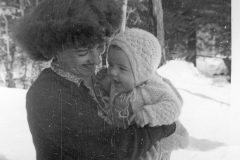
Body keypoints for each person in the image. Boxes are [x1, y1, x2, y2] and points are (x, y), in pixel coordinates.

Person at [12, 0, 176, 159]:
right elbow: (112, 150)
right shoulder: (47, 94)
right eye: (83, 52)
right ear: (55, 46)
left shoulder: (96, 78)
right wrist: (164, 126)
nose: (97, 60)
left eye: (100, 47)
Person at [98, 28, 189, 160]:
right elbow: (105, 89)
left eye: (121, 68)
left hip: (153, 145)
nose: (112, 72)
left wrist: (148, 114)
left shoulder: (152, 87)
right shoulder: (116, 81)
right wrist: (100, 80)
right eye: (110, 64)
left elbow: (174, 106)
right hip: (129, 141)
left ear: (141, 71)